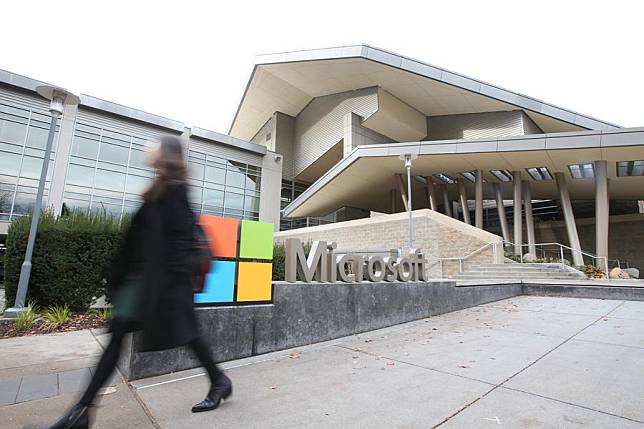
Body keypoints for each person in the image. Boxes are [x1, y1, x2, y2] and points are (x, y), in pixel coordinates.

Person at [36, 136, 231, 429]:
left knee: (187, 335)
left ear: (166, 155)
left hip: (160, 286)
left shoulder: (175, 191)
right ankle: (81, 412)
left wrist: (166, 286)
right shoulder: (161, 188)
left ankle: (218, 380)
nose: (147, 148)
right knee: (124, 340)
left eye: (154, 146)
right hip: (143, 283)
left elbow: (178, 243)